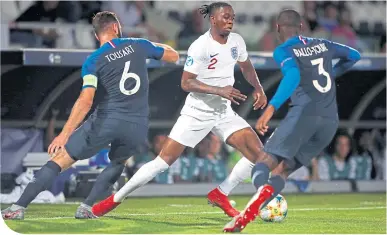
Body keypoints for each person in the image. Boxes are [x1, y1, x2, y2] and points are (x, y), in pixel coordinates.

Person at [91, 2, 267, 218]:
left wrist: (258, 88)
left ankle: (221, 193)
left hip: (223, 111)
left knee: (258, 155)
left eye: (232, 16)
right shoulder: (200, 46)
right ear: (213, 19)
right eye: (226, 17)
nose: (230, 20)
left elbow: (246, 65)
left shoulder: (237, 41)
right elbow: (186, 83)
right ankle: (114, 200)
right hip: (197, 111)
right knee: (162, 163)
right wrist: (218, 89)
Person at [2, 11, 179, 220]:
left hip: (107, 119)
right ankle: (86, 207)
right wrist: (152, 44)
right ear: (116, 28)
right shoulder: (138, 44)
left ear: (97, 36)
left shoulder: (94, 59)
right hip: (137, 124)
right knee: (118, 163)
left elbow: (85, 101)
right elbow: (173, 56)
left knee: (60, 160)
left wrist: (64, 134)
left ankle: (18, 207)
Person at [223, 9, 360, 232]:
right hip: (329, 121)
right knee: (283, 171)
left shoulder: (284, 50)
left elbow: (294, 76)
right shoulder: (323, 44)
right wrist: (332, 73)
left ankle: (256, 206)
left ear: (278, 29)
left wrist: (270, 109)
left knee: (263, 162)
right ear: (301, 27)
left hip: (304, 115)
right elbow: (355, 56)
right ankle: (266, 198)